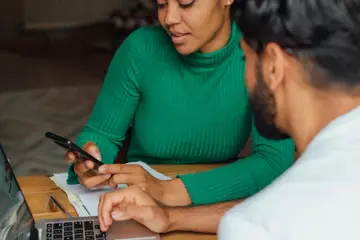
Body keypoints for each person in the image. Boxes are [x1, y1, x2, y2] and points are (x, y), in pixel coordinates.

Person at [97, 0, 360, 238]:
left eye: (245, 57)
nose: (170, 18)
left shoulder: (254, 227)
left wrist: (169, 195)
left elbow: (269, 213)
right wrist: (170, 218)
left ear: (273, 66)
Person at [65, 0, 294, 207]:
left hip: (219, 201)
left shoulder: (259, 54)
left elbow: (273, 160)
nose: (169, 19)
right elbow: (101, 134)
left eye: (185, 3)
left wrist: (171, 191)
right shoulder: (140, 49)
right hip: (141, 201)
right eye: (162, 4)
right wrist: (91, 160)